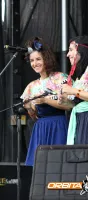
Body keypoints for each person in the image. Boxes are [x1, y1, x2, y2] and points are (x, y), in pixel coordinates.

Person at [21, 37, 73, 166]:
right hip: (40, 127)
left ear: (46, 59)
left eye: (38, 59)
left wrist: (45, 100)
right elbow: (34, 116)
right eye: (32, 60)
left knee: (58, 164)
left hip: (58, 124)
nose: (35, 63)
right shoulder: (31, 86)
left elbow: (70, 105)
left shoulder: (60, 78)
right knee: (40, 166)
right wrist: (29, 108)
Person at [58, 36, 88, 145]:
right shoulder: (79, 75)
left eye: (71, 50)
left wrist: (73, 91)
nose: (67, 54)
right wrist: (65, 100)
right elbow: (78, 104)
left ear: (82, 51)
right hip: (81, 119)